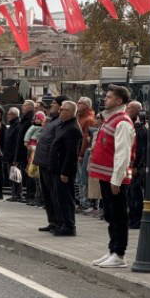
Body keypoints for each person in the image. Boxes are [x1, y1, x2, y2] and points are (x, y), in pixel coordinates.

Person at [90, 85, 135, 268]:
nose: (104, 99)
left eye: (108, 97)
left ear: (118, 101)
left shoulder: (122, 122)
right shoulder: (111, 119)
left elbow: (122, 154)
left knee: (118, 216)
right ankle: (112, 249)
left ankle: (119, 253)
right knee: (110, 214)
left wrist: (116, 179)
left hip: (113, 178)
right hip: (105, 175)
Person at [34, 96, 69, 232]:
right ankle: (52, 221)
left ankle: (60, 222)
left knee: (55, 196)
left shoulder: (60, 122)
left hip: (51, 164)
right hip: (43, 162)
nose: (51, 106)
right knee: (47, 195)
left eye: (54, 104)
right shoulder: (51, 121)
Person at [49, 101, 82, 236]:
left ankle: (69, 226)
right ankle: (62, 223)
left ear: (70, 112)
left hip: (64, 170)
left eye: (63, 110)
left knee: (66, 199)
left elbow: (71, 154)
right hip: (57, 168)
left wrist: (65, 172)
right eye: (60, 109)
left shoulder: (72, 129)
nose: (60, 111)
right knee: (59, 198)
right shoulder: (63, 126)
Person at [126, 100, 146, 229]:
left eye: (130, 108)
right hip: (129, 165)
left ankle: (136, 220)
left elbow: (141, 150)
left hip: (135, 167)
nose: (127, 110)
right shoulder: (130, 126)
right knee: (130, 193)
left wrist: (136, 167)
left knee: (135, 193)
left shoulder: (140, 130)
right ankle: (132, 218)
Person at [76, 97, 96, 213]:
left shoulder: (88, 119)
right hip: (78, 151)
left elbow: (85, 139)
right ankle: (81, 201)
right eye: (78, 103)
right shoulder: (79, 117)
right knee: (79, 179)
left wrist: (81, 153)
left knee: (82, 179)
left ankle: (84, 202)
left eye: (81, 103)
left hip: (82, 153)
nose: (78, 105)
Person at [14, 100, 35, 202]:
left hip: (26, 151)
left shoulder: (30, 119)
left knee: (28, 174)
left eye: (24, 106)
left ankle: (30, 195)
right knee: (23, 174)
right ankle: (27, 194)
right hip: (22, 151)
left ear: (30, 107)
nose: (22, 107)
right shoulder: (24, 119)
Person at [4, 107, 22, 201]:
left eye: (9, 114)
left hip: (13, 156)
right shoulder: (11, 125)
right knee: (12, 176)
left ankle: (17, 194)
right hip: (9, 155)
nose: (7, 116)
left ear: (14, 115)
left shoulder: (17, 126)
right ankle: (14, 194)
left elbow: (16, 143)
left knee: (15, 176)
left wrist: (16, 158)